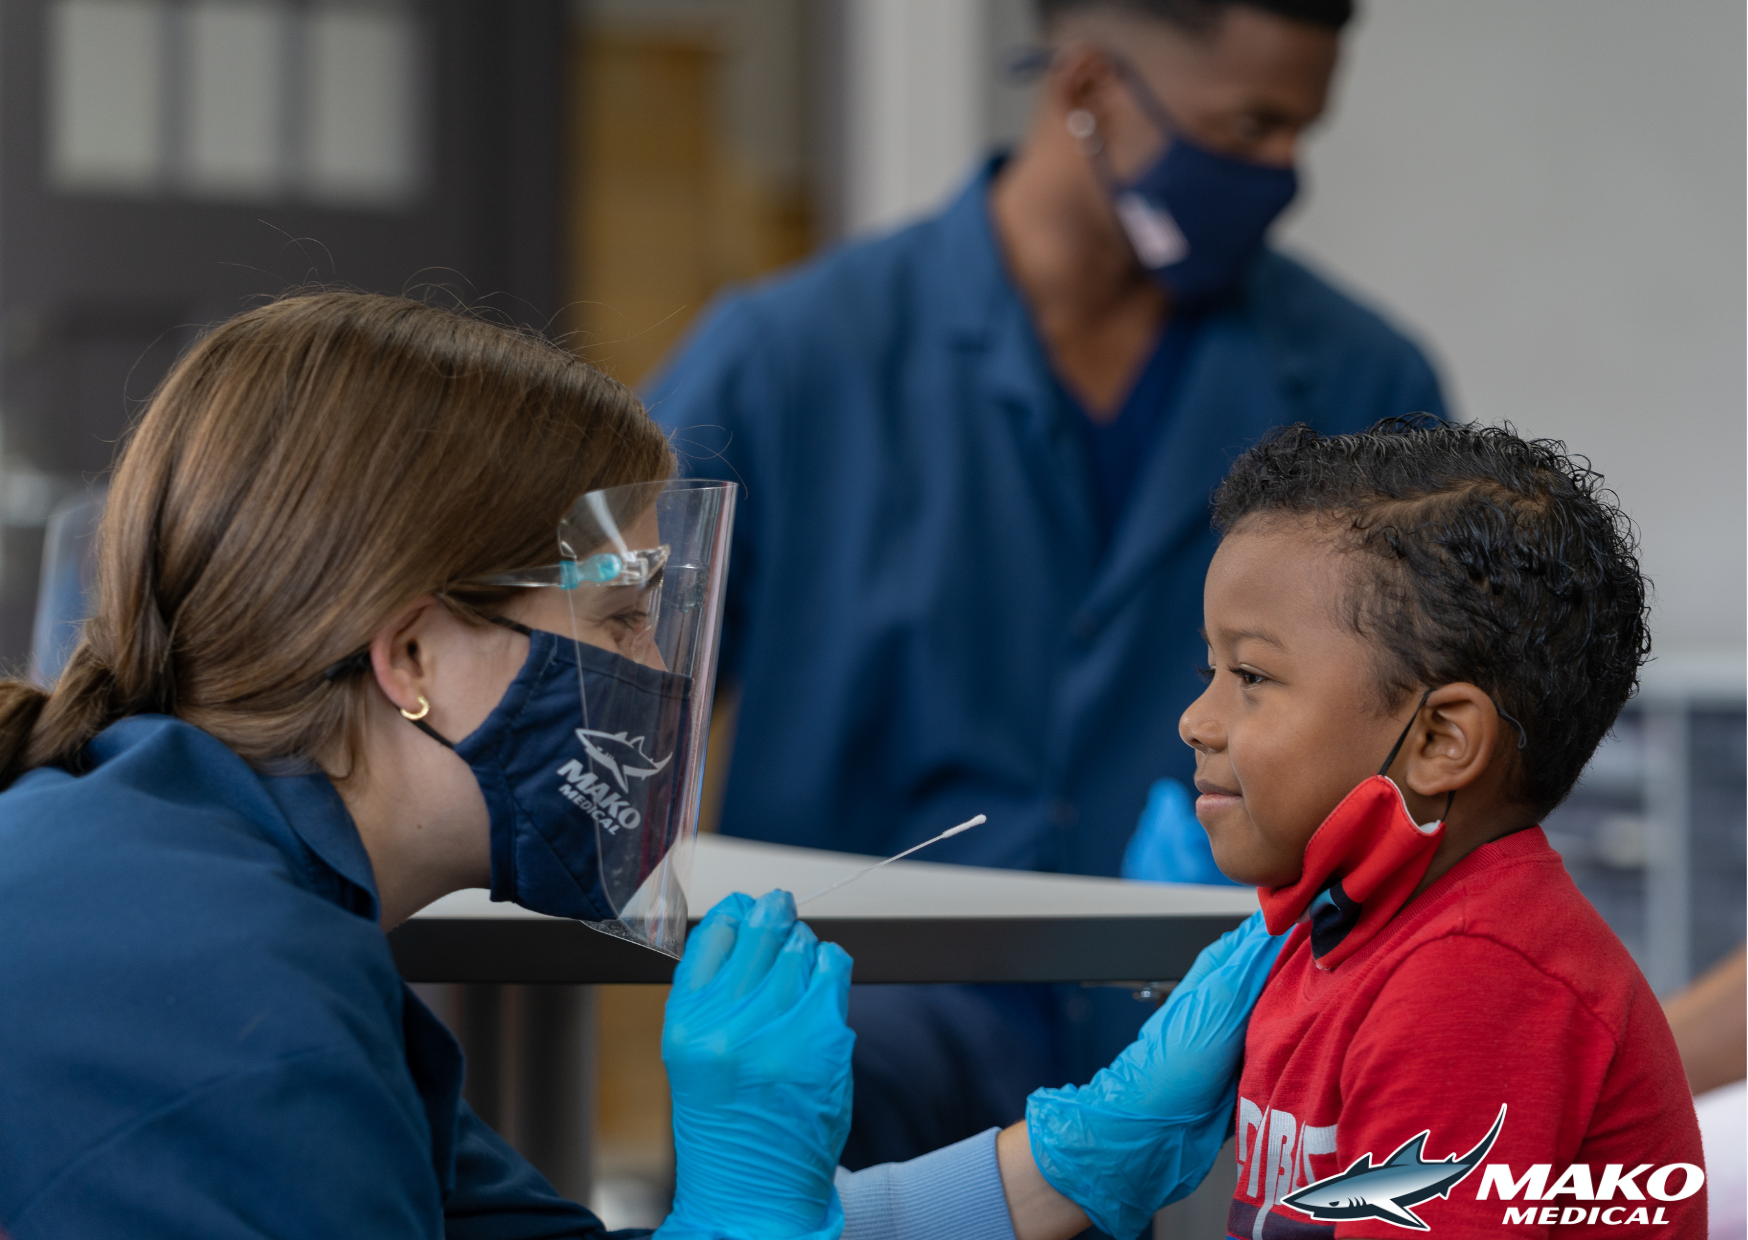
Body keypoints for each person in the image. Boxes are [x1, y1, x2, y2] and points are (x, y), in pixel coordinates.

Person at [0, 290, 1281, 1240]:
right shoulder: (233, 1020)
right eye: (617, 624)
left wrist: (1068, 1160)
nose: (662, 688)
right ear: (410, 658)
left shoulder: (235, 905)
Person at [645, 0, 1446, 1165]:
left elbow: (1434, 766)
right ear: (1086, 87)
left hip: (1229, 1050)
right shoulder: (787, 364)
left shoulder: (1359, 376)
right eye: (1248, 127)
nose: (1280, 174)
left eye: (1298, 134)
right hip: (854, 1065)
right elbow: (595, 713)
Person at [1177, 419, 1706, 1235]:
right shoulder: (1344, 929)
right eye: (1209, 669)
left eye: (1250, 675)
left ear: (1438, 741)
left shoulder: (1473, 982)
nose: (1195, 721)